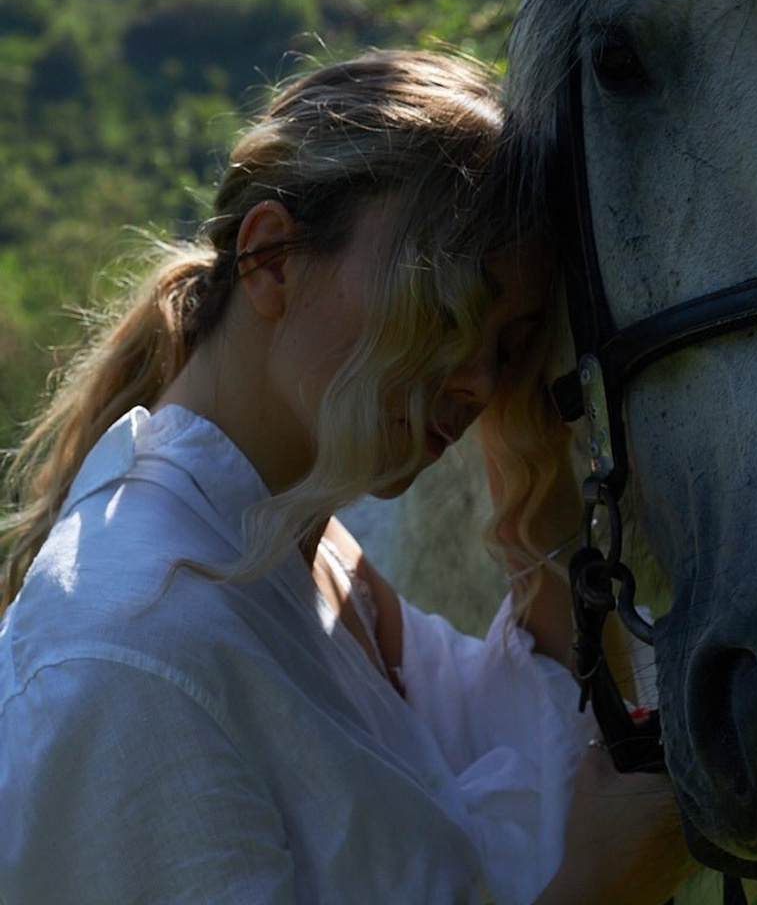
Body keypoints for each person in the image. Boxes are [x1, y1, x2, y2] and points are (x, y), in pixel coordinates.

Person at [0, 50, 695, 905]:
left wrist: (536, 483)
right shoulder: (129, 652)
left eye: (509, 344)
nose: (479, 378)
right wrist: (600, 895)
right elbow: (578, 841)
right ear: (271, 259)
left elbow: (553, 751)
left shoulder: (296, 548)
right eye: (445, 304)